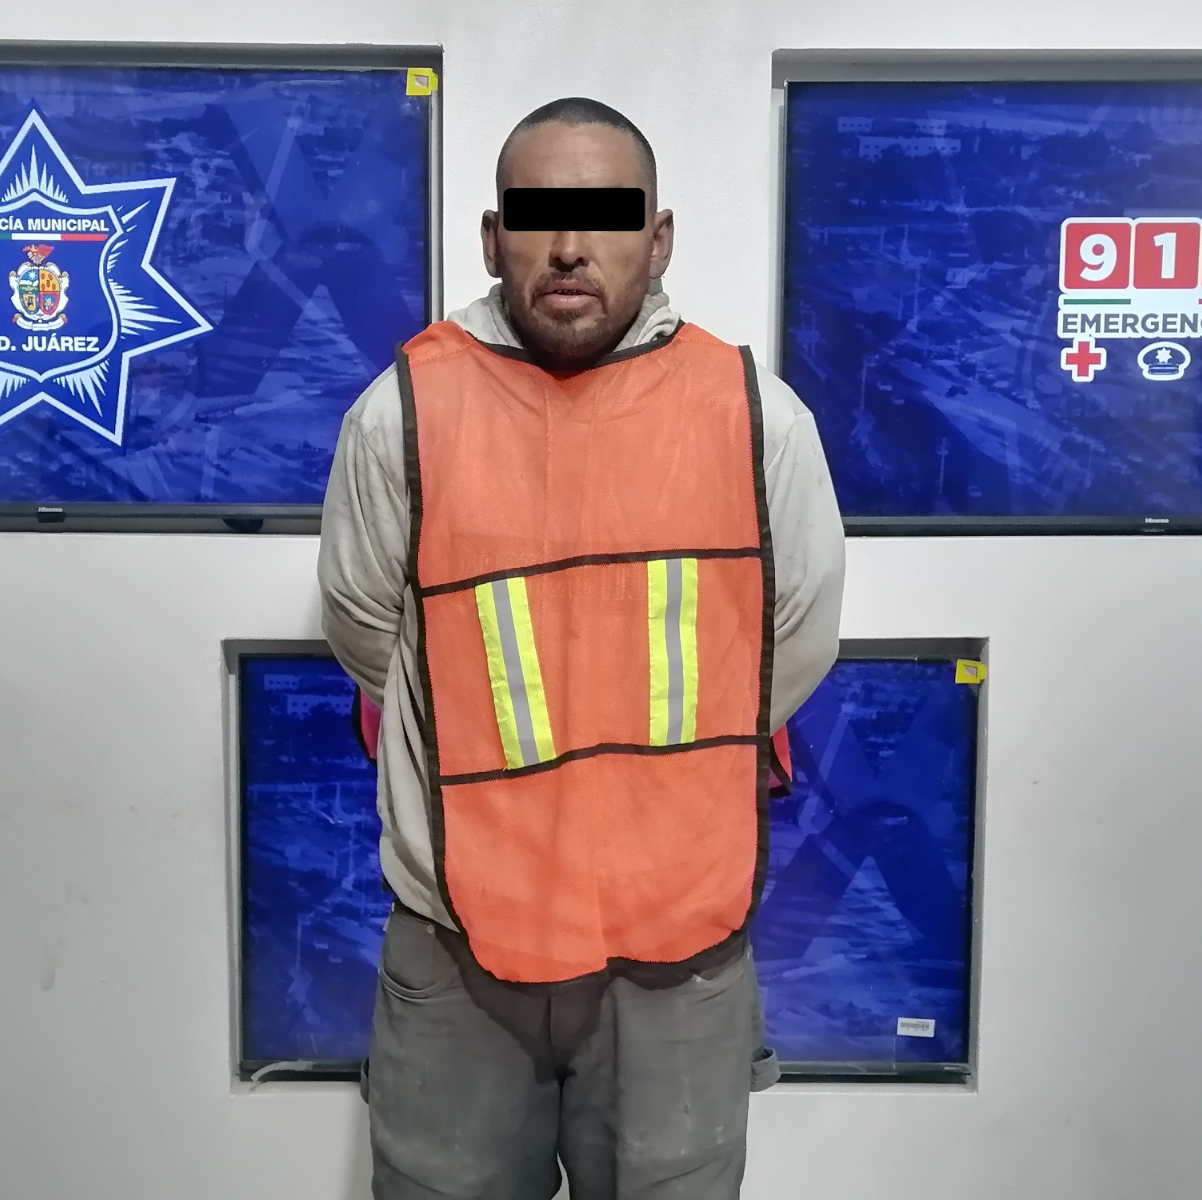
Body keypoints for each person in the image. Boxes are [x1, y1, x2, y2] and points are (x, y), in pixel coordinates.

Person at [318, 96, 845, 1200]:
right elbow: (370, 636)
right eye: (536, 215)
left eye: (605, 216)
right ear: (491, 237)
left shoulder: (756, 416)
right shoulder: (400, 413)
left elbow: (790, 646)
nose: (568, 246)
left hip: (680, 957)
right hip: (456, 946)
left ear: (659, 238)